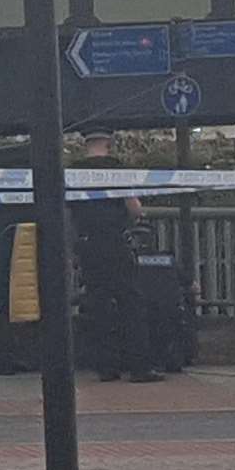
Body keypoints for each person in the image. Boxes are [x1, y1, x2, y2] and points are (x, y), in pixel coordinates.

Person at [71, 125, 163, 384]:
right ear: (109, 141)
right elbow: (134, 208)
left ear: (84, 142)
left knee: (98, 304)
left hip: (88, 245)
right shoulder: (117, 169)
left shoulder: (73, 172)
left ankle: (106, 367)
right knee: (131, 303)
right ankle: (139, 367)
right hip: (116, 244)